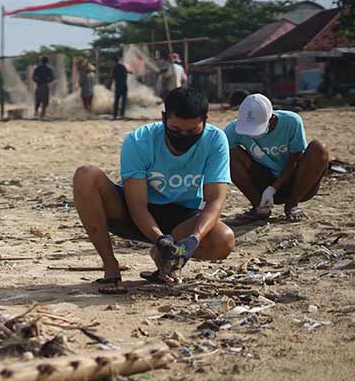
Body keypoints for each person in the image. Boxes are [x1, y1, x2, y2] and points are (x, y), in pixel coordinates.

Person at [73, 87, 235, 293]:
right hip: (134, 213)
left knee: (224, 240)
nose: (183, 137)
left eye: (192, 132)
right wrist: (159, 239)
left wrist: (193, 240)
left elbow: (214, 201)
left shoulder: (215, 140)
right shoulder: (140, 141)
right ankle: (111, 267)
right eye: (176, 130)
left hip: (182, 218)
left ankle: (165, 259)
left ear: (206, 120)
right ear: (164, 118)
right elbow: (137, 206)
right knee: (86, 175)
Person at [224, 93, 329, 221]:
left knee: (319, 148)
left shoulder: (291, 121)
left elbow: (294, 160)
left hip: (296, 183)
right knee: (226, 152)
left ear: (271, 118)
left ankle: (292, 205)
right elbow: (215, 153)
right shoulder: (235, 129)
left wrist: (273, 188)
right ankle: (259, 207)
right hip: (262, 180)